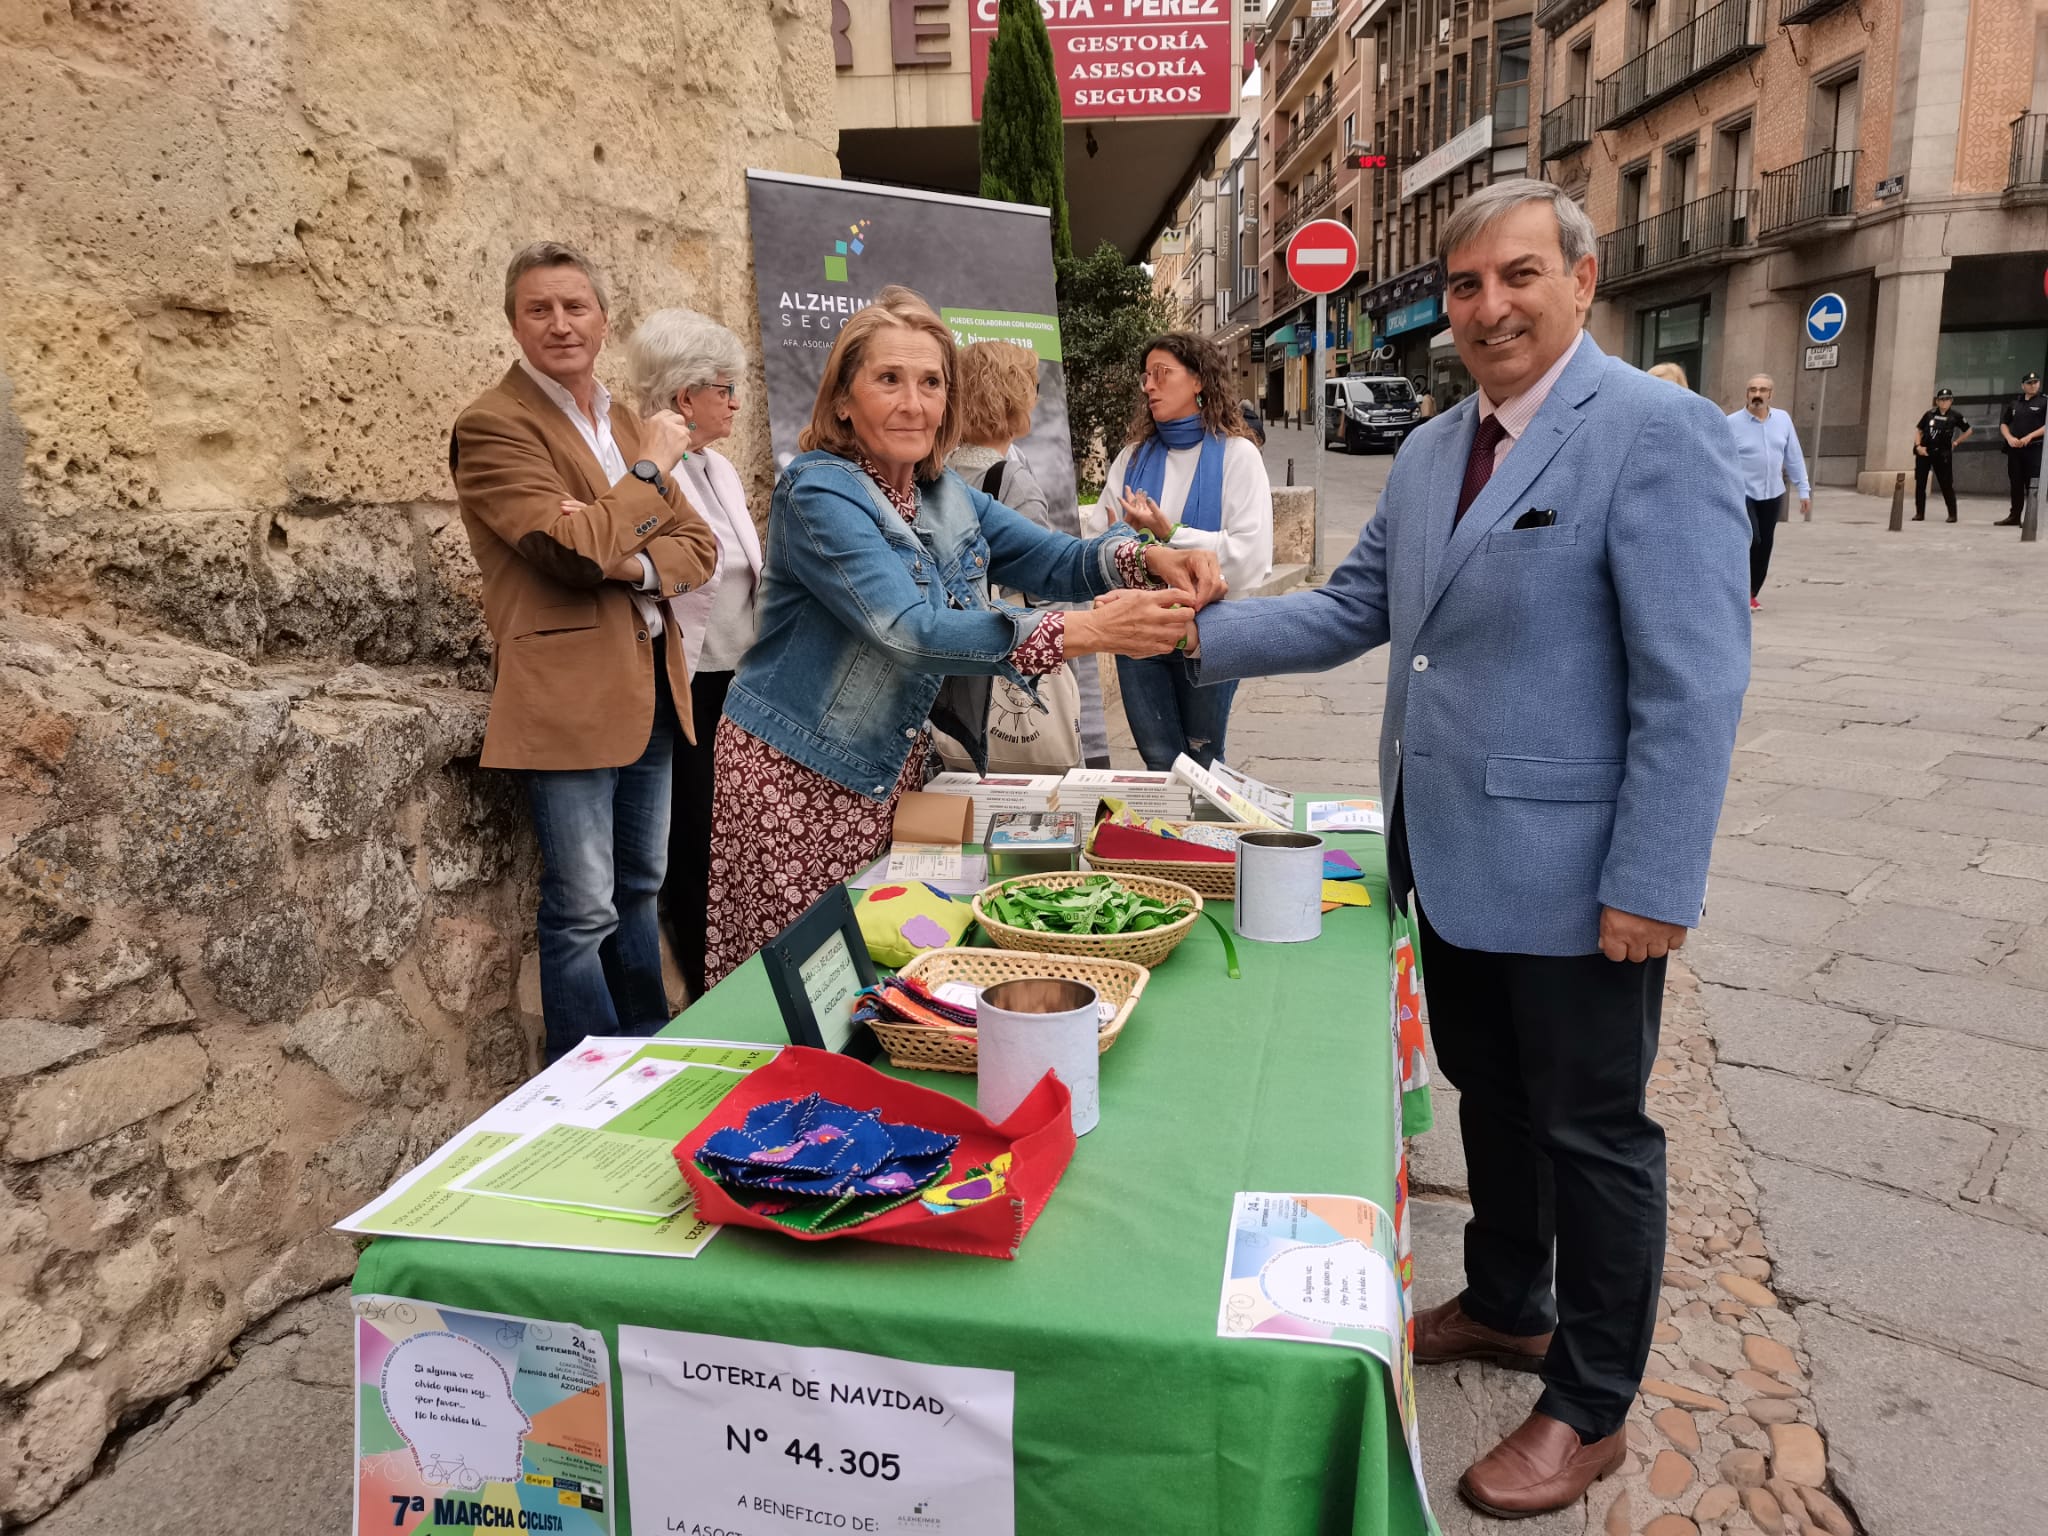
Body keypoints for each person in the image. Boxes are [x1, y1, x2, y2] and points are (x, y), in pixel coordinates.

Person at [1179, 180, 1750, 1517]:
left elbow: (1695, 684)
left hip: (1580, 880)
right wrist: (1192, 631)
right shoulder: (1439, 450)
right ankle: (1508, 1300)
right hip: (1450, 854)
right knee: (1489, 1098)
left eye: (1517, 277)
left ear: (1582, 279)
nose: (1488, 306)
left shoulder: (1657, 432)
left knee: (1594, 1134)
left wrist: (1654, 883)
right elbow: (1356, 609)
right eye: (1465, 283)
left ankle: (1593, 1400)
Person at [701, 287, 1223, 986]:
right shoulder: (819, 492)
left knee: (882, 959)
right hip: (798, 777)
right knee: (801, 982)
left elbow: (1053, 557)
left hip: (888, 768)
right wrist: (1090, 629)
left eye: (931, 382)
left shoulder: (940, 490)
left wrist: (1147, 555)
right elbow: (907, 631)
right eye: (889, 380)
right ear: (844, 399)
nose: (913, 403)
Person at [451, 243, 718, 1061]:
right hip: (566, 693)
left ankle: (643, 1049)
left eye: (575, 307)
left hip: (649, 686)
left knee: (640, 889)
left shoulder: (626, 421)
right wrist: (645, 479)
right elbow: (564, 553)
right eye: (539, 309)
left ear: (604, 320)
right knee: (582, 908)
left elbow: (698, 547)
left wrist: (624, 550)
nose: (559, 324)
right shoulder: (493, 426)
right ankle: (580, 1077)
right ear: (513, 323)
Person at [618, 307, 764, 1002]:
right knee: (691, 847)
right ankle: (704, 985)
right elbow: (666, 562)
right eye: (725, 389)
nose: (735, 402)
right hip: (686, 678)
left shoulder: (720, 469)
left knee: (733, 836)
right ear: (685, 396)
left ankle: (731, 970)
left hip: (739, 678)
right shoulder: (649, 471)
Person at [1101, 332, 1274, 771]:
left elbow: (1249, 555)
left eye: (1162, 374)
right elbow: (1102, 542)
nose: (1149, 386)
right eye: (1146, 377)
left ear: (1198, 381)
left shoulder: (1238, 456)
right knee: (1158, 760)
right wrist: (1119, 537)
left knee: (1204, 758)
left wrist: (1171, 533)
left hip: (1211, 630)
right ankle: (1169, 839)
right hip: (1140, 627)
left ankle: (1205, 839)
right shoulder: (1131, 459)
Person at [946, 338, 1109, 767]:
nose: (1036, 397)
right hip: (1010, 657)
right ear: (1011, 396)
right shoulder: (1011, 480)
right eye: (1032, 385)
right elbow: (1043, 578)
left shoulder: (939, 471)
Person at [1725, 374, 1810, 610]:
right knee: (1752, 538)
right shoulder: (1731, 423)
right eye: (1752, 389)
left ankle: (1752, 592)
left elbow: (1793, 456)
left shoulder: (1782, 420)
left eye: (1762, 390)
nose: (1757, 394)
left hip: (1773, 492)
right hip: (1743, 491)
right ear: (1746, 394)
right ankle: (1738, 588)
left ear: (1770, 394)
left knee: (1765, 543)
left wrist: (1804, 490)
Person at [1913, 386, 1973, 523]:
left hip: (1943, 453)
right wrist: (1918, 446)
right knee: (1920, 483)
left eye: (1947, 399)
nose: (1944, 402)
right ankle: (1919, 513)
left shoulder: (1955, 416)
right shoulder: (1929, 414)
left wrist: (1956, 442)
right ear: (1937, 401)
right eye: (1942, 400)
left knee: (1946, 484)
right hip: (1926, 451)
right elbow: (1919, 430)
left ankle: (1952, 514)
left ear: (1951, 401)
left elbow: (1969, 430)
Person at [1997, 370, 2046, 527]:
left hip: (2034, 449)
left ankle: (2031, 518)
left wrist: (2030, 436)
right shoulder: (2015, 403)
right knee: (2016, 483)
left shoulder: (2044, 402)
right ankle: (2014, 516)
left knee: (2032, 484)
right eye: (2029, 383)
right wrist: (2010, 438)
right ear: (2023, 385)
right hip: (2015, 449)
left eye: (2035, 382)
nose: (2033, 386)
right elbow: (2004, 423)